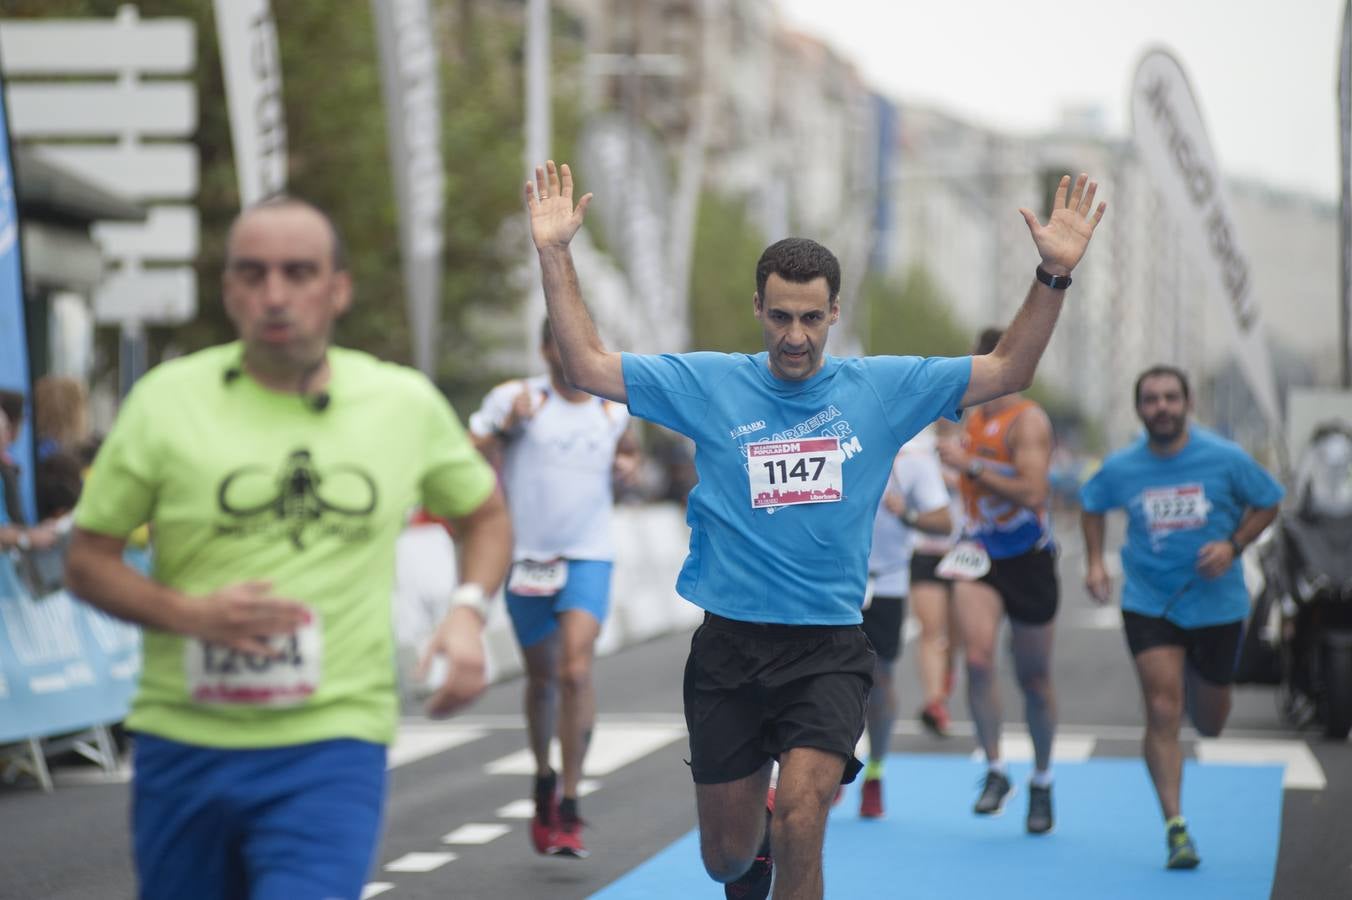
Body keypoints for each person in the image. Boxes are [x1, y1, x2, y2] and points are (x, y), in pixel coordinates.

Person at [525, 159, 1105, 899]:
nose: (794, 337)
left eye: (810, 317)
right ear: (758, 309)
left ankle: (783, 843)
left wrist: (1052, 274)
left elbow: (1009, 367)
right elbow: (586, 366)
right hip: (729, 647)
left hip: (828, 648)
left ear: (834, 313)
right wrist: (554, 252)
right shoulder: (710, 383)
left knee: (803, 815)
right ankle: (750, 855)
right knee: (727, 858)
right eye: (779, 317)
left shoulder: (882, 389)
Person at [63, 196, 513, 900]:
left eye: (298, 272)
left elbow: (485, 514)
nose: (275, 294)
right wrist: (189, 615)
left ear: (338, 289)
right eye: (253, 273)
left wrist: (465, 611)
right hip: (183, 738)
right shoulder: (164, 401)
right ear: (230, 290)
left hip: (331, 742)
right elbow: (86, 561)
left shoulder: (400, 403)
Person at [1080, 365, 1282, 870]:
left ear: (1187, 403)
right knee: (1163, 709)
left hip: (1218, 605)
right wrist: (1094, 561)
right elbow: (1091, 503)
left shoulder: (1225, 458)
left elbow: (1270, 501)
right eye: (1151, 399)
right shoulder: (1123, 466)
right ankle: (1176, 826)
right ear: (1139, 409)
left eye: (1171, 397)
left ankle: (1200, 683)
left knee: (1210, 721)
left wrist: (1234, 546)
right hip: (1152, 603)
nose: (1161, 407)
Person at [468, 317, 640, 859]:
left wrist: (628, 466)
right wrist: (504, 431)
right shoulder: (515, 398)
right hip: (526, 561)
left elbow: (629, 448)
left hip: (588, 555)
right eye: (559, 346)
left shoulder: (611, 406)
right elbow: (466, 454)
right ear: (544, 349)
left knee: (575, 669)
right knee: (542, 679)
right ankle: (543, 776)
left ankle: (569, 800)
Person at [937, 326, 1060, 834]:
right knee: (980, 660)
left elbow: (1032, 492)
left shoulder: (1026, 422)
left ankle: (1043, 778)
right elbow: (968, 477)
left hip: (1027, 557)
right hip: (979, 554)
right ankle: (994, 770)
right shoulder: (969, 420)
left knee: (1033, 677)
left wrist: (970, 466)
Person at [858, 439, 952, 818]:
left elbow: (944, 522)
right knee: (826, 681)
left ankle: (875, 772)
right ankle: (830, 766)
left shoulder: (911, 458)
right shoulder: (833, 441)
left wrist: (907, 514)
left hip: (887, 581)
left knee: (879, 684)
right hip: (832, 581)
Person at [906, 421, 965, 736]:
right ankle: (934, 702)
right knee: (930, 630)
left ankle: (946, 675)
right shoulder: (916, 444)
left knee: (956, 636)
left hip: (965, 552)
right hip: (926, 550)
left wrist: (958, 473)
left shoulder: (973, 443)